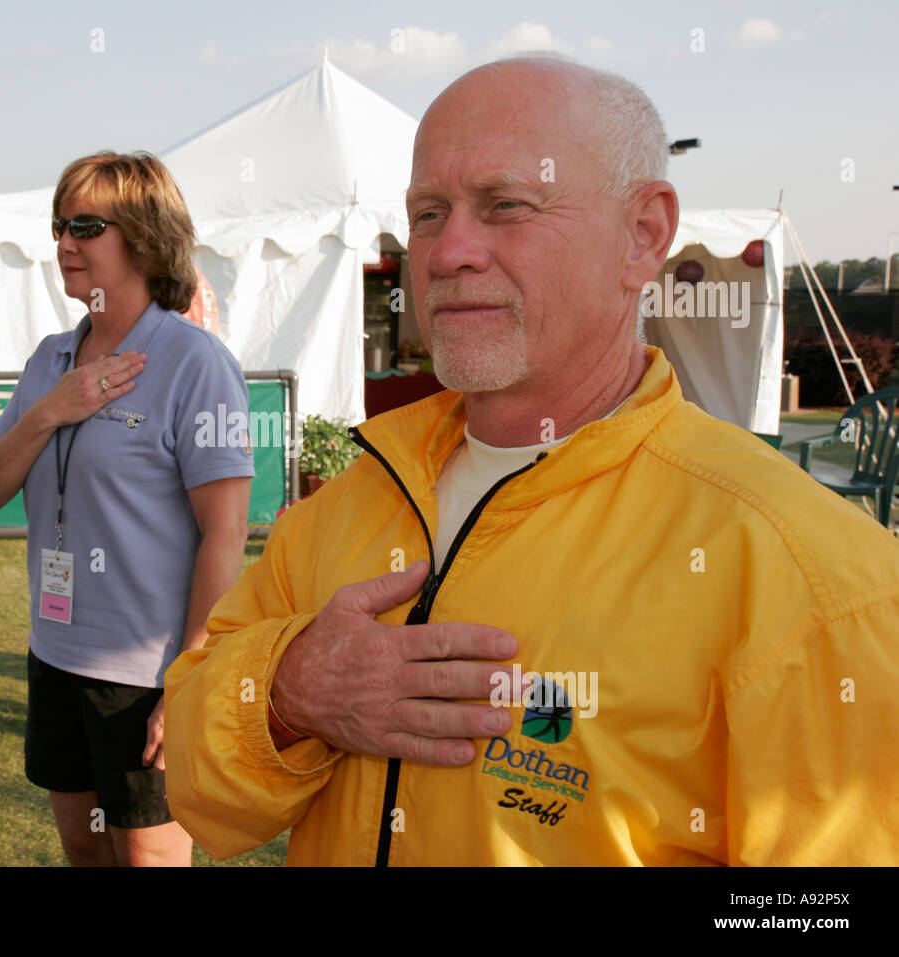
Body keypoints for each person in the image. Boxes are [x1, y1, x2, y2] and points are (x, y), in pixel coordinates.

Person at [162, 55, 899, 865]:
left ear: (643, 235)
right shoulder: (348, 504)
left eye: (506, 205)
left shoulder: (817, 580)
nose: (448, 253)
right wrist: (288, 692)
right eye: (430, 213)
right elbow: (198, 792)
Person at [0, 152, 254, 866]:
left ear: (147, 237)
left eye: (86, 226)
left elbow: (226, 532)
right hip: (55, 655)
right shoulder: (50, 361)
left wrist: (190, 677)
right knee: (84, 853)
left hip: (147, 675)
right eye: (60, 225)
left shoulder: (194, 362)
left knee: (147, 858)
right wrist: (48, 414)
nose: (64, 243)